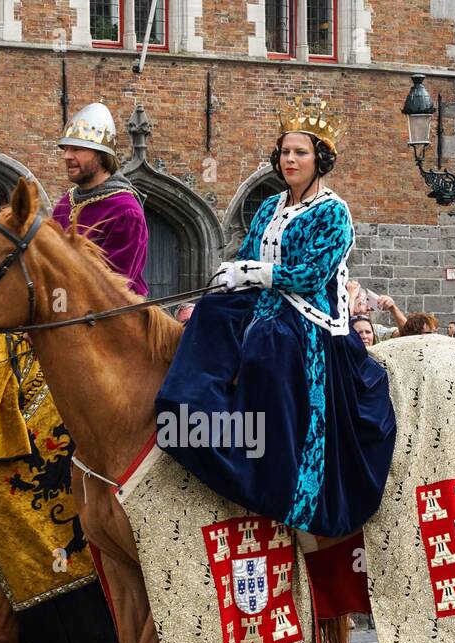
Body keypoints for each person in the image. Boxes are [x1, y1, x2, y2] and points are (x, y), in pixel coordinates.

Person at [154, 98, 395, 539]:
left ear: (319, 159)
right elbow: (247, 255)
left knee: (267, 347)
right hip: (262, 301)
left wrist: (257, 272)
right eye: (285, 152)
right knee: (208, 313)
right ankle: (190, 418)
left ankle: (274, 475)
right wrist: (231, 275)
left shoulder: (333, 211)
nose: (290, 160)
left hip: (310, 316)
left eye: (300, 152)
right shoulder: (268, 207)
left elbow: (311, 274)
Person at [52, 102, 149, 295]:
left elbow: (113, 287)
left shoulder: (125, 211)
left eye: (77, 149)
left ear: (102, 156)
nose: (67, 156)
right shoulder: (66, 203)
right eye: (65, 149)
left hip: (107, 318)